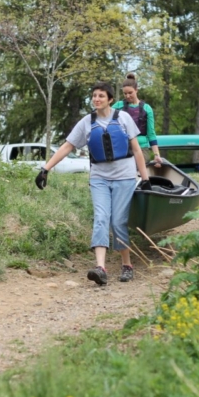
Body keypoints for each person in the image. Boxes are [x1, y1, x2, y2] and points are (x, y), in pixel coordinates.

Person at [34, 81, 152, 286]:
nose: (96, 99)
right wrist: (46, 168)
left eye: (101, 96)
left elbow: (137, 150)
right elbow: (67, 147)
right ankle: (101, 268)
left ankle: (127, 264)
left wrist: (145, 178)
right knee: (100, 218)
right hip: (99, 178)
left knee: (117, 222)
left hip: (124, 176)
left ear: (110, 100)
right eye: (94, 96)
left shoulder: (123, 118)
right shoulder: (86, 122)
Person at [112, 73, 162, 167]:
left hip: (141, 148)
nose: (127, 96)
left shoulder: (147, 108)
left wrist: (156, 155)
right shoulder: (118, 106)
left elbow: (151, 134)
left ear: (136, 90)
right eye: (125, 93)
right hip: (123, 147)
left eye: (130, 93)